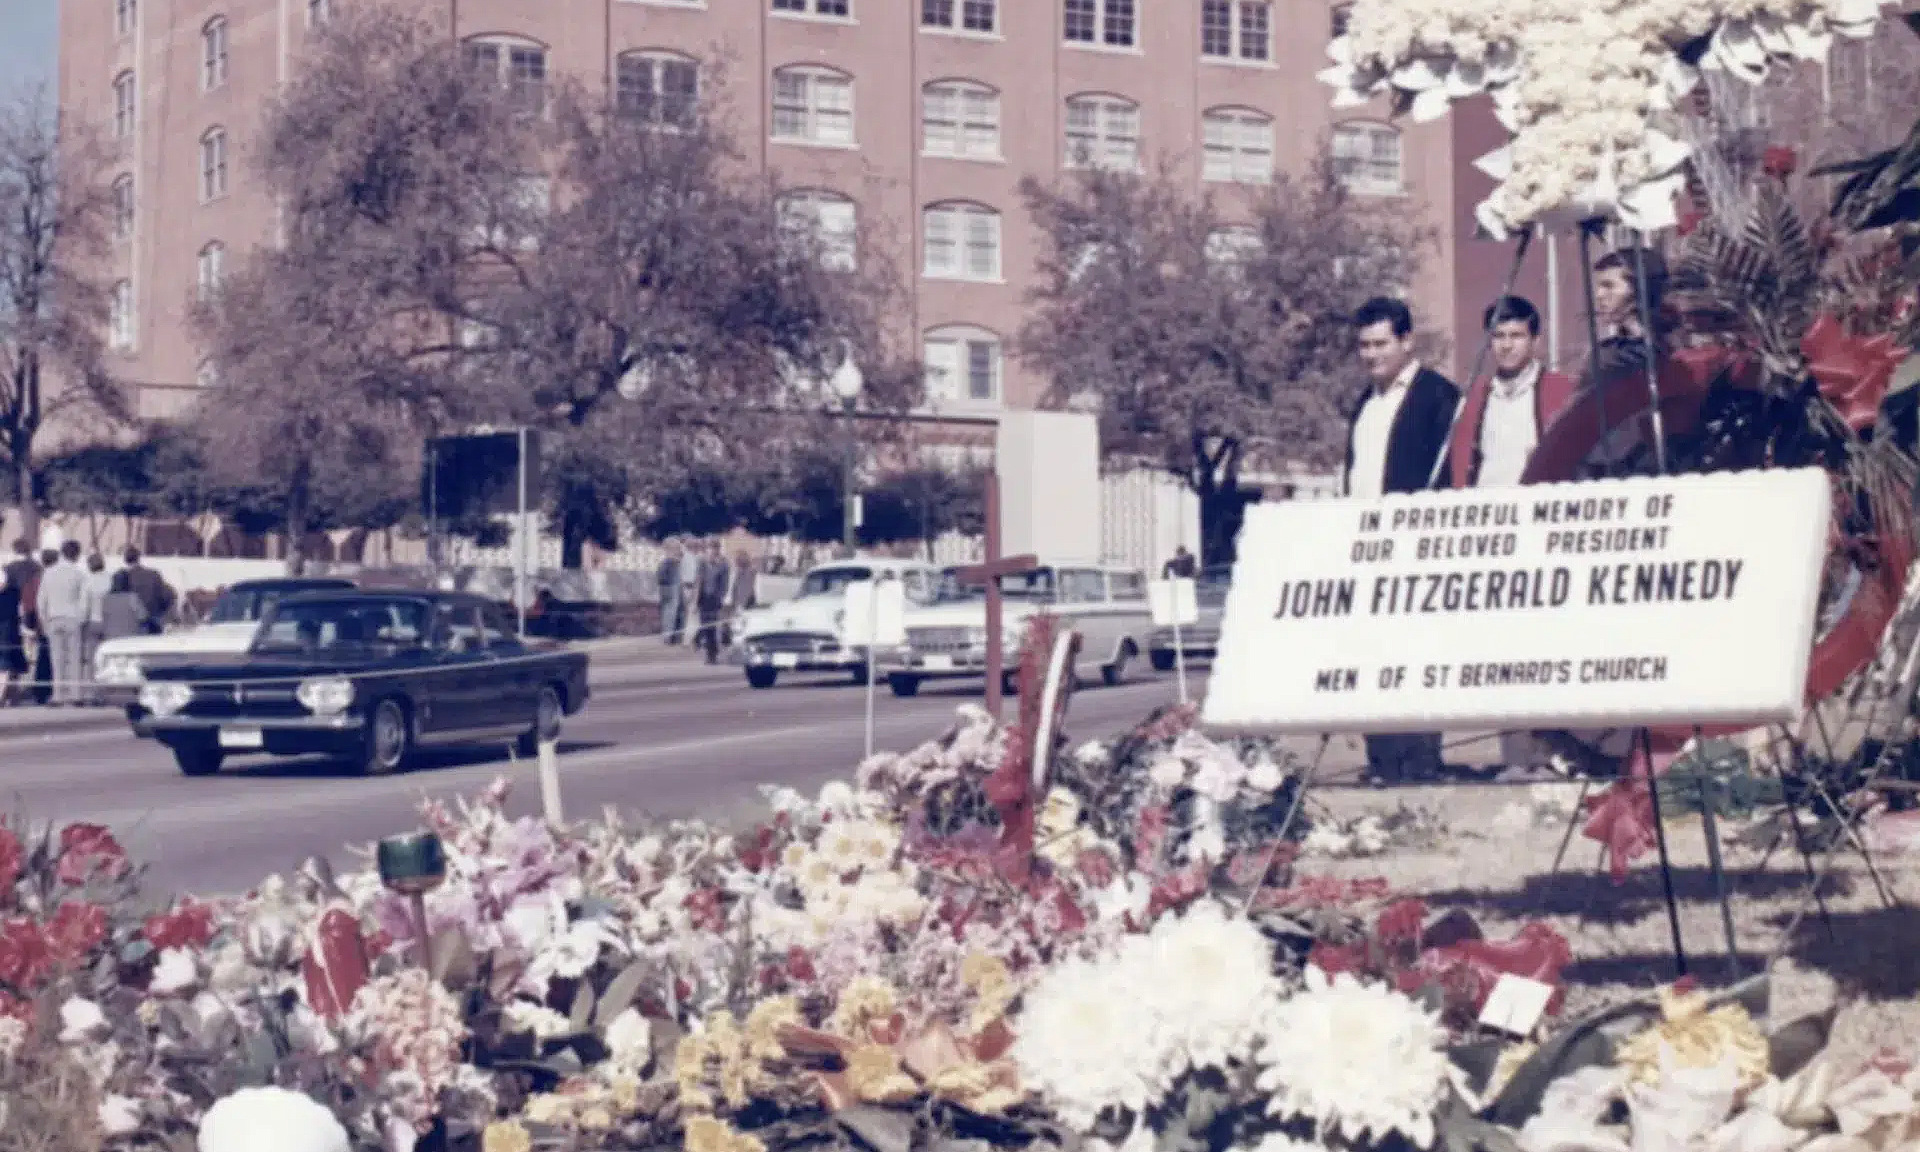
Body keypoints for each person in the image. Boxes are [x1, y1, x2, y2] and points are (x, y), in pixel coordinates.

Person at [1344, 296, 1460, 785]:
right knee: (1373, 657)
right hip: (1364, 551)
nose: (1372, 355)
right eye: (1364, 346)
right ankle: (1383, 761)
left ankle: (1418, 762)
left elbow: (1454, 477)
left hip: (1415, 553)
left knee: (1414, 657)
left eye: (1381, 344)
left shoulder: (1437, 396)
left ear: (1407, 341)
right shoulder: (1365, 404)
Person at [1447, 295, 1579, 489]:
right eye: (1498, 336)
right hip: (1484, 508)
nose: (1506, 345)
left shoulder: (1562, 391)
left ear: (1535, 341)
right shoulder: (1473, 398)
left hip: (1537, 508)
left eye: (1516, 336)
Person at [36, 541, 88, 706]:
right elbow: (83, 601)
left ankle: (58, 694)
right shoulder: (79, 574)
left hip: (54, 617)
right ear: (77, 554)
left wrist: (44, 620)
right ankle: (75, 694)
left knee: (56, 658)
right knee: (74, 658)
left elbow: (41, 600)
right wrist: (81, 619)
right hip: (72, 618)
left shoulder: (49, 573)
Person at [0, 540, 34, 704]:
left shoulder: (10, 569)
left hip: (10, 625)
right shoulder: (35, 568)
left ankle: (8, 694)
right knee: (13, 658)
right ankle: (11, 694)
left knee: (8, 659)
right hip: (17, 623)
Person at [119, 547, 175, 634]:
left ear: (125, 559)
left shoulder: (121, 578)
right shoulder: (153, 574)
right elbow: (168, 595)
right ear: (138, 558)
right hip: (153, 620)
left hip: (130, 623)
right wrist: (161, 613)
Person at [82, 553, 113, 704]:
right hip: (108, 622)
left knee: (92, 660)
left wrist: (82, 622)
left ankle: (93, 692)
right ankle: (107, 691)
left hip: (93, 622)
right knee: (106, 659)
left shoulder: (88, 582)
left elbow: (84, 606)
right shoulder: (111, 580)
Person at [696, 541, 731, 663]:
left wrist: (722, 597)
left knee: (712, 626)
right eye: (710, 549)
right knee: (704, 626)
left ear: (718, 550)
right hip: (703, 598)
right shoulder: (702, 562)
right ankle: (709, 651)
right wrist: (695, 601)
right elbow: (698, 581)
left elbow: (724, 584)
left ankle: (712, 654)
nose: (712, 551)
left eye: (714, 549)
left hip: (715, 599)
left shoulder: (723, 565)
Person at [656, 539, 685, 645]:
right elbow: (661, 577)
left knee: (677, 612)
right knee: (670, 613)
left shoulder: (673, 562)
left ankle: (675, 636)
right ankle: (668, 637)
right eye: (677, 549)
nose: (679, 551)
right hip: (670, 589)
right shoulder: (668, 563)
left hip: (674, 588)